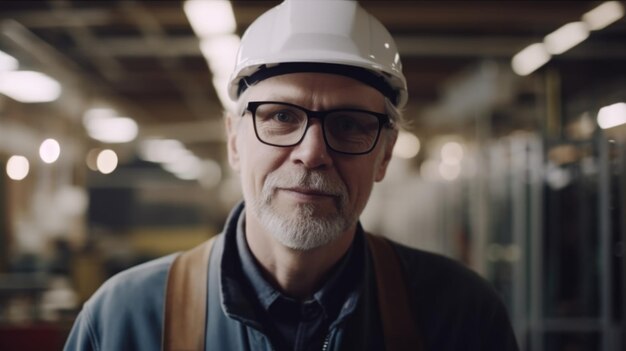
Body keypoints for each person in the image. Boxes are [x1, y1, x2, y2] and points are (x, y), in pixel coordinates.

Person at [64, 1, 519, 350]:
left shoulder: (459, 316)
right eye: (281, 116)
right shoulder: (124, 320)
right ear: (235, 141)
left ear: (384, 155)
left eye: (350, 124)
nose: (311, 153)